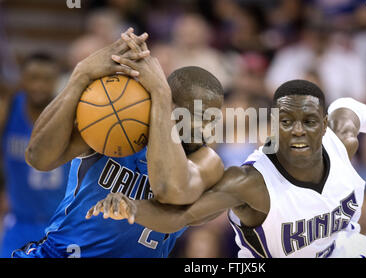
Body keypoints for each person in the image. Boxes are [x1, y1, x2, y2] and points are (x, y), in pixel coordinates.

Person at [88, 80, 366, 258]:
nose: (298, 130)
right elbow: (181, 217)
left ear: (324, 124)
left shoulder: (341, 143)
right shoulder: (248, 182)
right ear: (273, 125)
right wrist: (133, 209)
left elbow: (350, 106)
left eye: (309, 121)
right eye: (287, 121)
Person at [12, 28, 224, 258]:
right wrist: (81, 75)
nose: (203, 126)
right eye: (194, 113)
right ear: (170, 108)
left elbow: (170, 190)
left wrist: (161, 91)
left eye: (210, 117)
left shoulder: (207, 162)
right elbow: (37, 157)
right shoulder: (119, 124)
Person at [0, 53, 70, 258]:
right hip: (20, 222)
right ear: (22, 78)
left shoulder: (69, 113)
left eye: (46, 79)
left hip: (61, 225)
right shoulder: (9, 109)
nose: (39, 85)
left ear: (57, 80)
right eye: (33, 78)